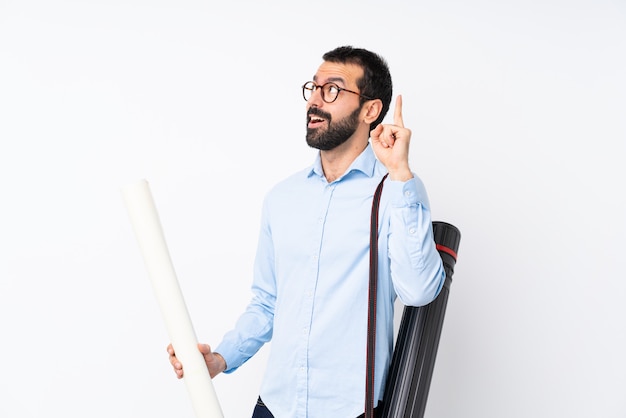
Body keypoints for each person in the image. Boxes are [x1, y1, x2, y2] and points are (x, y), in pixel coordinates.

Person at [167, 45, 446, 418]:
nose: (314, 101)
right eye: (313, 88)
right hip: (274, 406)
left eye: (331, 90)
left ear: (371, 110)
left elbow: (420, 290)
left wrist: (399, 173)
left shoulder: (396, 191)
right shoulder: (282, 199)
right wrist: (219, 360)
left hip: (349, 411)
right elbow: (267, 303)